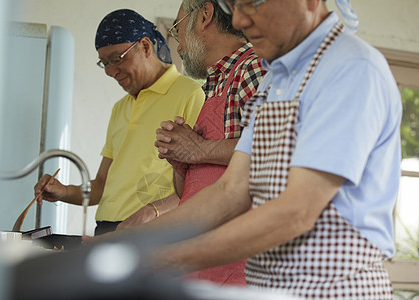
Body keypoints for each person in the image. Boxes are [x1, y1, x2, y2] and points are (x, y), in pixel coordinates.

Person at [108, 0, 402, 298]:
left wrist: (162, 257)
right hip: (269, 288)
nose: (238, 19)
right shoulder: (275, 79)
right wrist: (133, 240)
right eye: (234, 6)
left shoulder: (350, 68)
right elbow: (229, 192)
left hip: (332, 289)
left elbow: (297, 212)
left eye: (250, 4)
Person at [34, 9, 204, 236]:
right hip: (106, 229)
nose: (110, 72)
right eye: (104, 63)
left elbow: (201, 184)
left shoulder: (191, 94)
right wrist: (64, 192)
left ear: (145, 46)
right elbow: (101, 185)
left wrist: (151, 212)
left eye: (116, 59)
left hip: (154, 230)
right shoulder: (120, 108)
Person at [146, 0, 266, 286]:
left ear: (205, 15)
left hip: (238, 267)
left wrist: (199, 150)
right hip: (203, 260)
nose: (179, 45)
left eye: (177, 29)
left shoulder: (253, 68)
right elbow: (192, 191)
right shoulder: (214, 85)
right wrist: (182, 163)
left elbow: (271, 153)